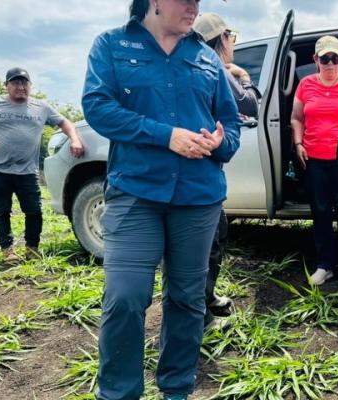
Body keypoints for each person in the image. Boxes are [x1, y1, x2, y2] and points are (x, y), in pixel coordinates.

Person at [82, 0, 241, 398]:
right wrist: (165, 135)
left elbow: (233, 124)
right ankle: (119, 393)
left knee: (188, 298)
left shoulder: (205, 57)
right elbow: (98, 107)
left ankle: (176, 389)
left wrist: (221, 143)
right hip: (136, 192)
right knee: (125, 296)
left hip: (199, 196)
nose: (194, 8)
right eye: (185, 0)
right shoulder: (111, 44)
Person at [0, 68, 84, 264]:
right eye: (15, 83)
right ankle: (7, 250)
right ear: (7, 86)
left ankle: (32, 248)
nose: (21, 87)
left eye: (24, 83)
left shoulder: (41, 107)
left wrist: (75, 139)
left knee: (34, 210)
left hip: (27, 170)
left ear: (30, 85)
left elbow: (64, 122)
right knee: (2, 210)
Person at [193, 12, 260, 330]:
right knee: (208, 242)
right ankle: (201, 315)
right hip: (201, 170)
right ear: (222, 39)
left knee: (210, 240)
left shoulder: (192, 64)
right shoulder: (216, 68)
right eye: (231, 37)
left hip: (199, 166)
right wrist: (243, 75)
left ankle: (206, 299)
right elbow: (250, 105)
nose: (234, 43)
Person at [291, 35, 338, 285]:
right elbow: (296, 118)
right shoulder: (306, 85)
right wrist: (299, 143)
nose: (330, 63)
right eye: (325, 58)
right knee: (320, 212)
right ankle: (325, 265)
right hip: (315, 159)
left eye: (335, 58)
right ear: (316, 60)